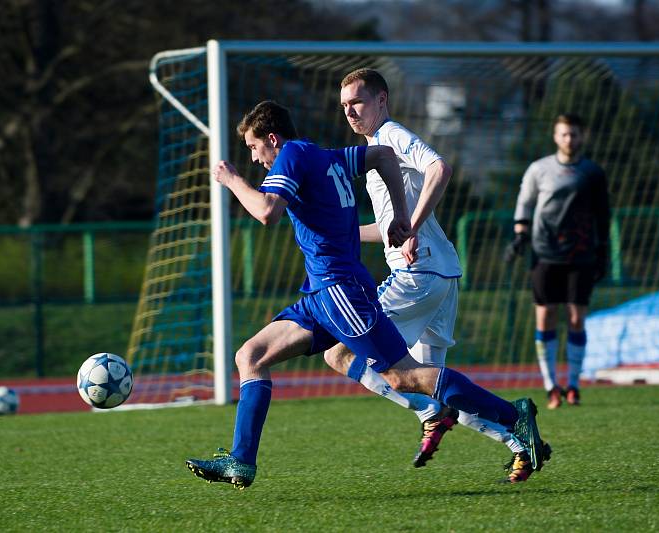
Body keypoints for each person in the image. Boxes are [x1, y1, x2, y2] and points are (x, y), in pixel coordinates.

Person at [186, 100, 548, 490]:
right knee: (251, 356)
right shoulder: (325, 156)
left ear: (272, 138)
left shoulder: (291, 154)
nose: (255, 158)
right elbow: (381, 157)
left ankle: (514, 417)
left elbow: (267, 211)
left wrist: (231, 178)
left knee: (403, 375)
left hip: (341, 290)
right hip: (319, 294)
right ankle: (241, 461)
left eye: (254, 148)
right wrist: (399, 214)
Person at [321, 68, 544, 481]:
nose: (351, 111)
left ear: (382, 100)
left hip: (417, 274)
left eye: (358, 102)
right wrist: (342, 233)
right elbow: (390, 228)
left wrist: (413, 226)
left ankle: (435, 414)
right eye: (345, 105)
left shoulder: (391, 136)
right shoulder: (375, 147)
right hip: (441, 275)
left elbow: (439, 168)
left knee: (338, 352)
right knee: (432, 382)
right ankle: (520, 438)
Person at [505, 113, 610, 409]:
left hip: (581, 254)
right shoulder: (539, 169)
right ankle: (551, 387)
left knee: (576, 318)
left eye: (574, 134)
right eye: (564, 134)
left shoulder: (592, 172)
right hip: (544, 252)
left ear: (582, 136)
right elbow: (524, 203)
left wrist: (602, 250)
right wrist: (520, 236)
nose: (569, 139)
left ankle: (574, 385)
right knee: (546, 316)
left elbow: (603, 214)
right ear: (555, 136)